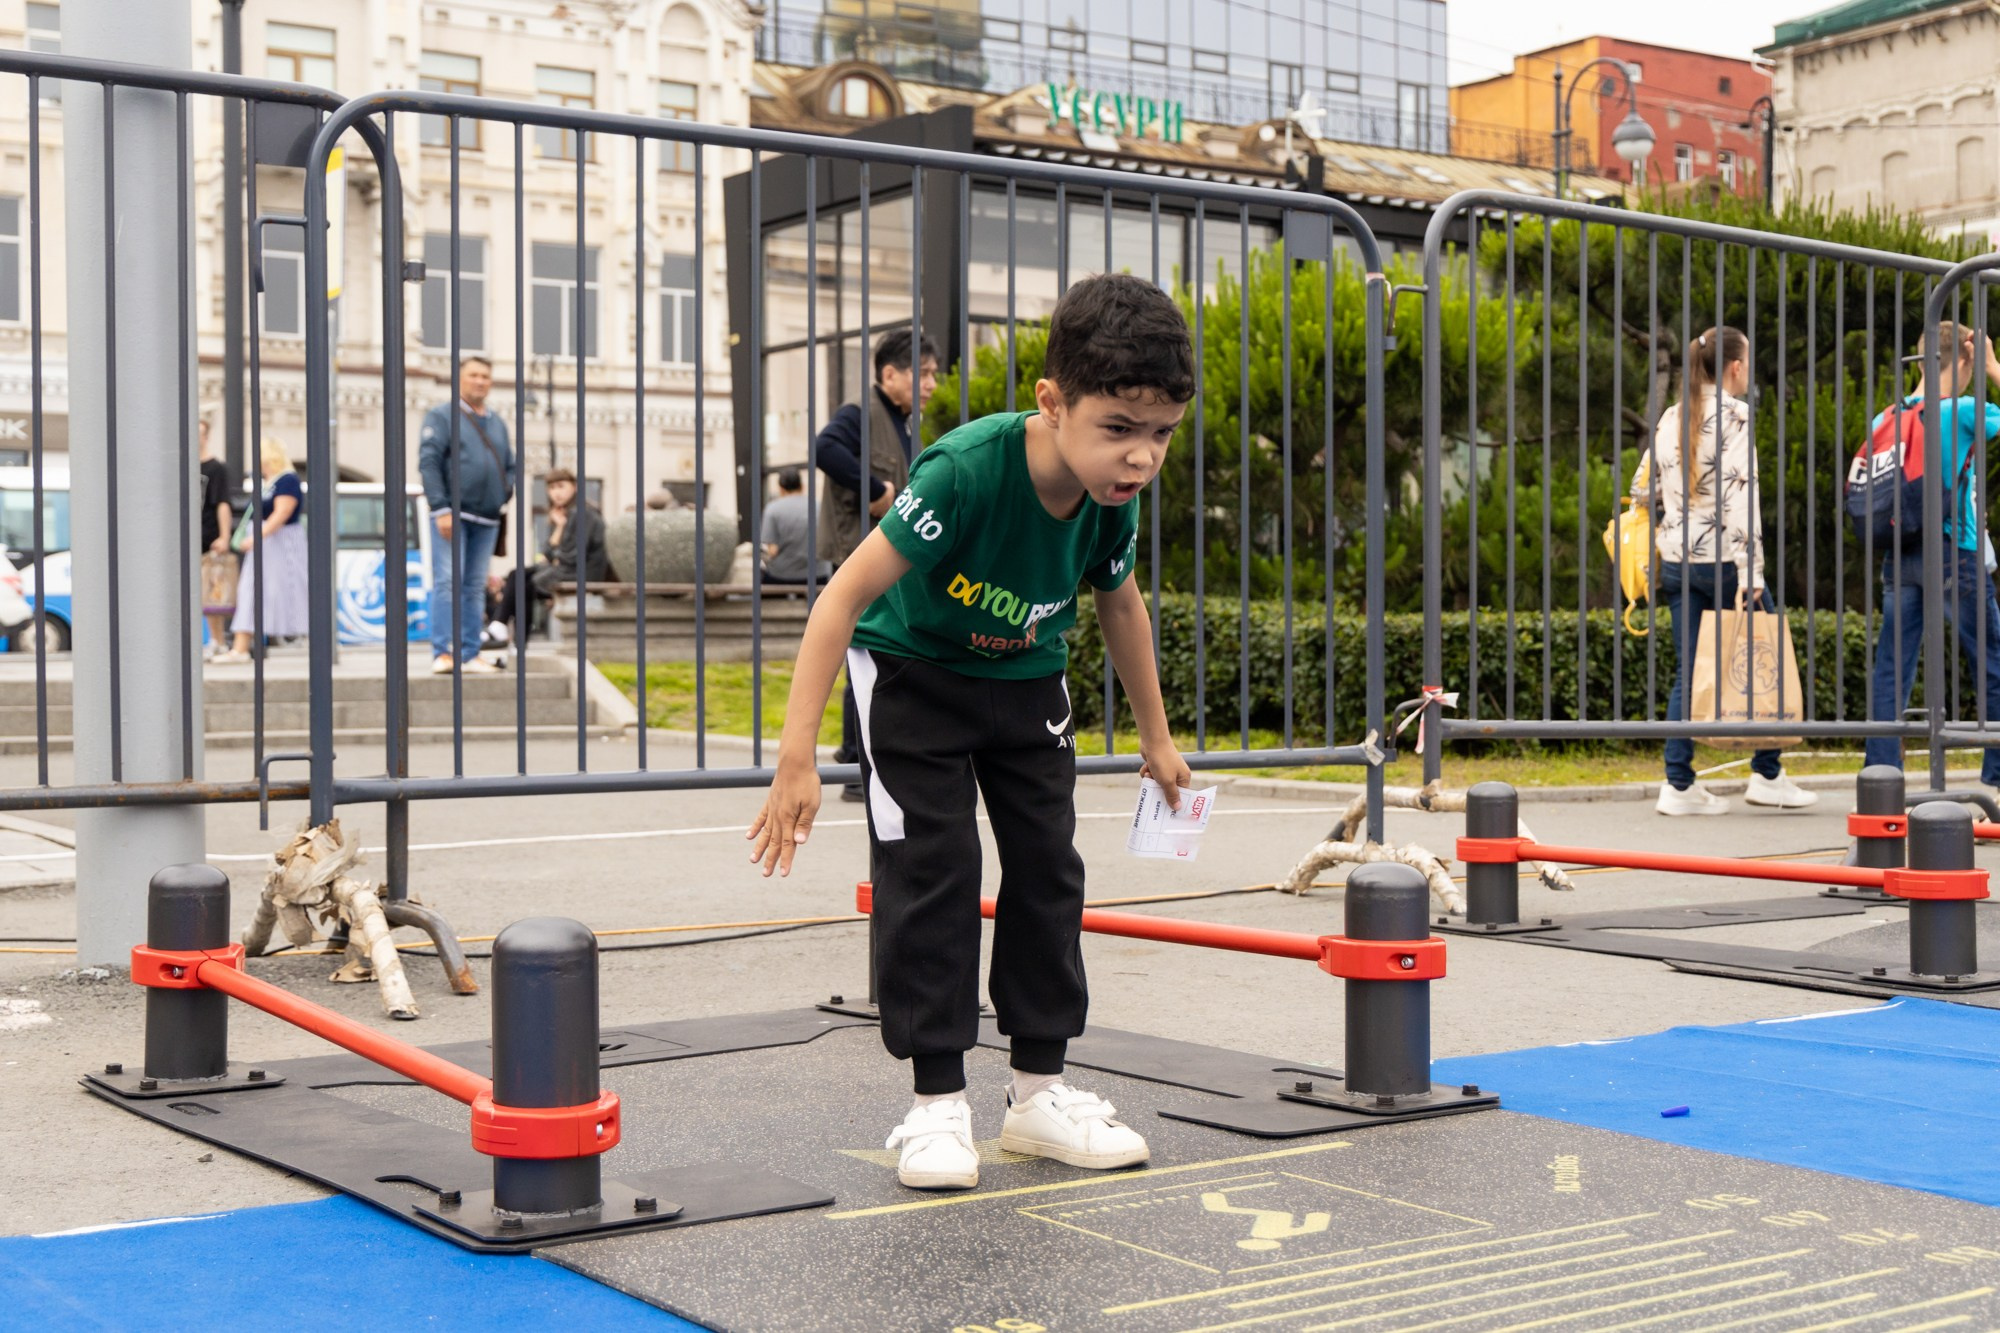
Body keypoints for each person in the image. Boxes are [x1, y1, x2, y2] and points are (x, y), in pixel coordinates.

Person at [747, 274, 1196, 1192]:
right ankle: (935, 1104)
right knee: (934, 872)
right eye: (1119, 428)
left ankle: (1037, 1093)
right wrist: (796, 756)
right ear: (1052, 401)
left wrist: (1157, 737)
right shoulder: (964, 470)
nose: (1142, 456)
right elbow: (843, 597)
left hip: (1025, 676)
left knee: (1047, 867)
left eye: (1161, 434)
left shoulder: (1116, 495)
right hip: (913, 673)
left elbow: (1120, 603)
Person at [1636, 325, 1817, 816]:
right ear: (1735, 367)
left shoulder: (1673, 415)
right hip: (1724, 562)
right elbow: (1743, 498)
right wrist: (1751, 572)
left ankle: (1677, 785)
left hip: (1676, 560)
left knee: (1687, 670)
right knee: (1767, 658)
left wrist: (1678, 504)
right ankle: (1767, 773)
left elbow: (1638, 488)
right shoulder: (1736, 416)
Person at [1864, 322, 2000, 785]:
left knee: (1891, 669)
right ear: (1963, 361)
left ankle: (1881, 780)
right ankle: (1995, 782)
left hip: (1900, 554)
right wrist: (1994, 368)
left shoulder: (1887, 417)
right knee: (1990, 663)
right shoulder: (1962, 410)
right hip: (1954, 553)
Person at [814, 328, 938, 800]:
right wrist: (874, 490)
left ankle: (874, 759)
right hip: (858, 555)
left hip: (889, 559)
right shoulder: (861, 413)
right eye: (921, 374)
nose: (930, 384)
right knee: (861, 654)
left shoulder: (904, 422)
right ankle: (853, 764)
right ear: (890, 373)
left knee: (880, 655)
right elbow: (825, 449)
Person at [420, 356, 513, 676]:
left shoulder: (498, 422)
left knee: (475, 587)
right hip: (453, 515)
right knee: (448, 581)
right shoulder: (442, 416)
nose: (480, 381)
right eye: (473, 375)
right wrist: (440, 507)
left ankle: (470, 653)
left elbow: (510, 464)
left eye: (485, 376)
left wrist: (504, 492)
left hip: (487, 518)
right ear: (459, 379)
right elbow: (429, 462)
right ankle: (443, 652)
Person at [214, 437, 307, 664]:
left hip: (277, 545)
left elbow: (282, 512)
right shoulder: (270, 482)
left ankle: (242, 646)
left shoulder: (286, 480)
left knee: (263, 590)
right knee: (252, 590)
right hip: (266, 544)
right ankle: (242, 644)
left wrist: (257, 537)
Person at [492, 468, 612, 643]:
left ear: (574, 487)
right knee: (517, 575)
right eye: (552, 488)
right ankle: (503, 628)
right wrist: (560, 527)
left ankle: (508, 632)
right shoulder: (566, 515)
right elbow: (548, 553)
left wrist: (556, 555)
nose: (556, 493)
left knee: (525, 582)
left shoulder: (583, 513)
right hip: (568, 569)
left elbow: (571, 556)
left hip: (583, 573)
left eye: (561, 486)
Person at [196, 419, 236, 660]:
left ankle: (217, 641)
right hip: (185, 539)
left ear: (207, 436)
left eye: (200, 433)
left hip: (209, 539)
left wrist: (224, 536)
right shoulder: (181, 464)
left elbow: (222, 503)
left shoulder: (215, 469)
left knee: (213, 594)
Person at [760, 467, 830, 586]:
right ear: (802, 486)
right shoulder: (819, 506)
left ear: (781, 489)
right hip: (818, 575)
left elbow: (773, 551)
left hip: (782, 576)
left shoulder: (773, 509)